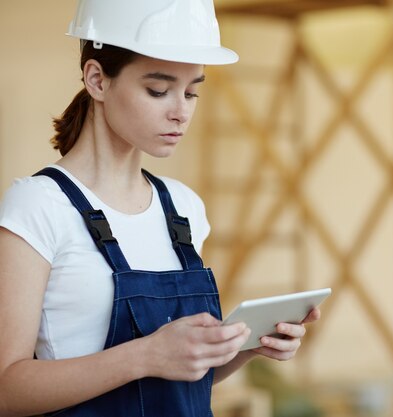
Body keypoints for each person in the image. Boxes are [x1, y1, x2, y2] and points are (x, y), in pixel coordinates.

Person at [0, 0, 321, 416]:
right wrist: (146, 354)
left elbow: (178, 375)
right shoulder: (39, 205)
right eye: (158, 90)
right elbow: (7, 389)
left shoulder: (184, 208)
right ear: (97, 79)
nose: (181, 112)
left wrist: (244, 347)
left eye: (192, 92)